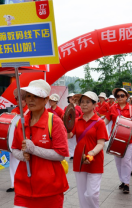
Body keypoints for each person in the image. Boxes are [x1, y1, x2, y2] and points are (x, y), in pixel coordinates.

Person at [11, 80, 69, 208]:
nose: (31, 100)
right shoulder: (20, 123)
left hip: (49, 189)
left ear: (46, 99)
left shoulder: (55, 122)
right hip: (24, 187)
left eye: (36, 96)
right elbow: (14, 148)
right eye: (28, 96)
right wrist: (21, 155)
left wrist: (34, 149)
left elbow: (61, 154)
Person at [68, 91, 108, 208]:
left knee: (91, 194)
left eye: (88, 102)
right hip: (79, 160)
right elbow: (69, 135)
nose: (84, 104)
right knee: (82, 195)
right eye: (82, 102)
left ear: (95, 105)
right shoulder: (76, 121)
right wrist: (65, 125)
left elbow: (101, 143)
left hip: (94, 160)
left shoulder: (99, 122)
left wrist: (91, 153)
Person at [104, 88, 132, 194]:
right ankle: (122, 180)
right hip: (115, 139)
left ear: (126, 97)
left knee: (126, 161)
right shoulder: (112, 108)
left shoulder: (131, 108)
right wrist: (96, 125)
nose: (119, 98)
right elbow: (106, 120)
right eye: (118, 96)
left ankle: (127, 183)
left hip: (128, 139)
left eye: (122, 95)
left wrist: (131, 124)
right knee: (118, 162)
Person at [7, 89, 30, 193]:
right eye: (16, 99)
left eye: (20, 99)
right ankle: (13, 184)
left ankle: (25, 183)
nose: (18, 101)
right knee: (13, 162)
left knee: (27, 162)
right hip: (15, 139)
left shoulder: (30, 110)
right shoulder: (13, 111)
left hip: (27, 139)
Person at [64, 93, 83, 160]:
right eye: (70, 98)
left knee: (77, 139)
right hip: (70, 125)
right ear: (68, 99)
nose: (71, 99)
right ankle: (72, 154)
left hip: (77, 124)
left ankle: (78, 152)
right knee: (70, 140)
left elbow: (82, 114)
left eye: (72, 98)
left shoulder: (78, 107)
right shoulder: (66, 108)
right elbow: (64, 117)